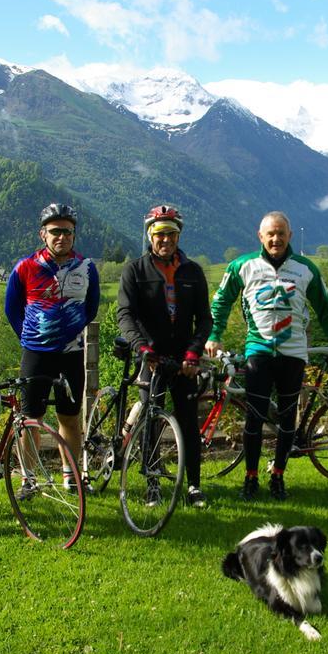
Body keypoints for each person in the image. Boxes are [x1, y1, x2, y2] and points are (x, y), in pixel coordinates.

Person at [205, 211, 328, 501]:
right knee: (254, 418)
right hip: (258, 351)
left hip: (293, 353)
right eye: (270, 234)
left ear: (289, 236)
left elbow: (326, 308)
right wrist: (214, 335)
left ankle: (278, 476)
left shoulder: (306, 268)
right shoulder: (243, 266)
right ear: (260, 236)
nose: (276, 239)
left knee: (288, 418)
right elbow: (221, 302)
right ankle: (250, 478)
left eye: (281, 233)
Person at [117, 204, 212, 507]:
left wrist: (194, 353)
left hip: (184, 360)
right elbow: (125, 315)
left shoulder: (193, 272)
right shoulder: (135, 269)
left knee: (188, 423)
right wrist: (142, 348)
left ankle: (194, 486)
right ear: (150, 235)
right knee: (151, 420)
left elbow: (205, 319)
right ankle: (153, 484)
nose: (165, 240)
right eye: (159, 234)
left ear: (178, 235)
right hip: (152, 357)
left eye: (171, 234)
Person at [5, 203, 99, 494]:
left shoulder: (87, 268)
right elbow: (12, 309)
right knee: (31, 417)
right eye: (55, 231)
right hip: (36, 354)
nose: (62, 237)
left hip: (71, 354)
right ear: (42, 234)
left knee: (69, 417)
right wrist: (30, 336)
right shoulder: (25, 267)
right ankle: (28, 478)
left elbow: (91, 308)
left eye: (68, 232)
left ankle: (70, 476)